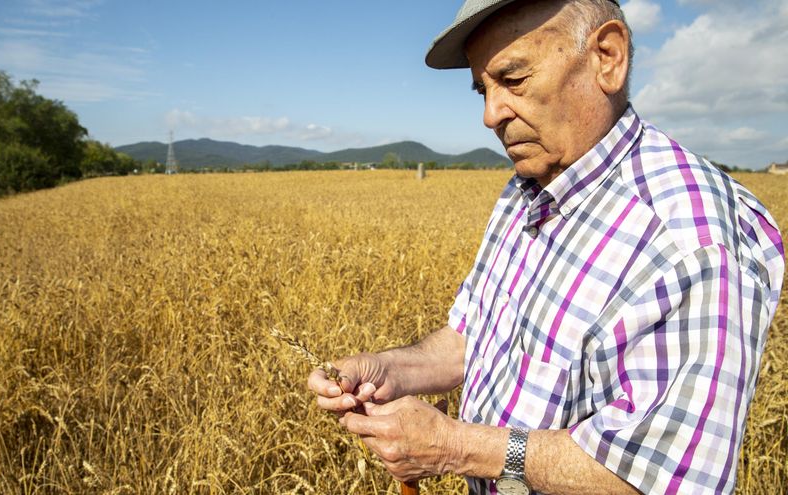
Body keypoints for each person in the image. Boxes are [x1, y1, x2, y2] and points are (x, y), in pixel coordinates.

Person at [307, 0, 785, 493]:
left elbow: (663, 478)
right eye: (483, 89)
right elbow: (476, 337)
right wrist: (390, 369)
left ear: (608, 56)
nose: (491, 115)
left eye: (513, 80)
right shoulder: (528, 188)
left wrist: (452, 445)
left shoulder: (690, 239)